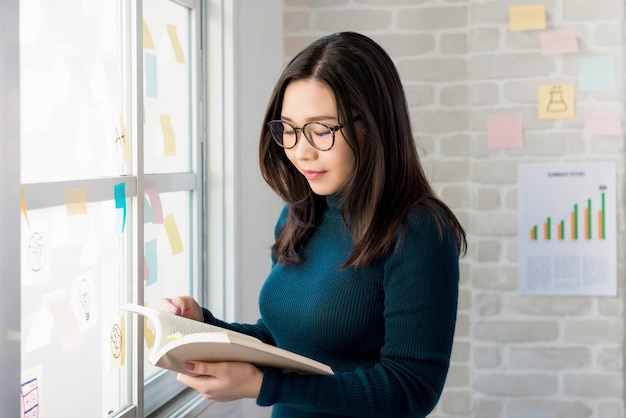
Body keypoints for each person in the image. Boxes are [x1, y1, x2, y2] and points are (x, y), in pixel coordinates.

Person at [162, 31, 467, 418]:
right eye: (288, 129)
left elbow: (411, 388)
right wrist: (202, 326)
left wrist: (263, 385)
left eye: (321, 130)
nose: (300, 150)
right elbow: (284, 342)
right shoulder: (301, 213)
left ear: (371, 126)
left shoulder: (418, 230)